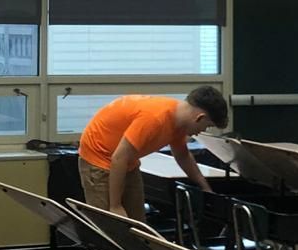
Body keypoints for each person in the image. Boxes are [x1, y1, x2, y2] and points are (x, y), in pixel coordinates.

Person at [77, 86, 229, 221]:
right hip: (99, 157)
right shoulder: (156, 118)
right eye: (207, 126)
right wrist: (115, 206)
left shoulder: (179, 122)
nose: (202, 131)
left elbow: (182, 156)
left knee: (138, 225)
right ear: (199, 118)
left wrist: (205, 187)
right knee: (109, 224)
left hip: (127, 161)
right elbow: (119, 158)